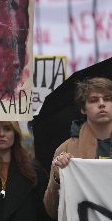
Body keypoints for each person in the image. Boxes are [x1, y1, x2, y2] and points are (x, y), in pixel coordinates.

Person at [43, 77, 112, 219]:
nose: (102, 104)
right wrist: (57, 177)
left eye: (107, 98)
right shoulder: (66, 149)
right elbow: (53, 211)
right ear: (83, 108)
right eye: (93, 100)